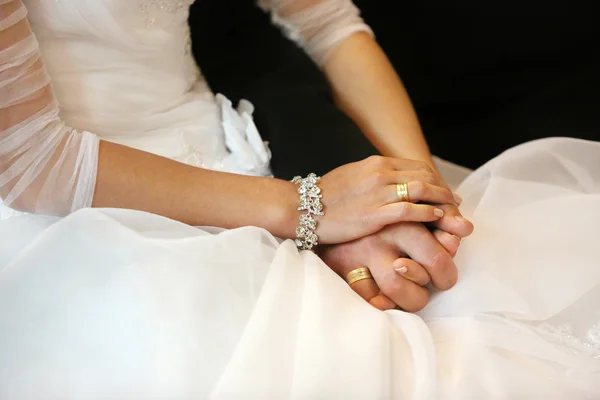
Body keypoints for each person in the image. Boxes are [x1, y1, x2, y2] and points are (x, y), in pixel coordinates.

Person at [0, 1, 598, 398]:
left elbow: (328, 24)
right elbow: (31, 159)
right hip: (86, 212)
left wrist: (410, 194)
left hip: (237, 148)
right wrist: (307, 207)